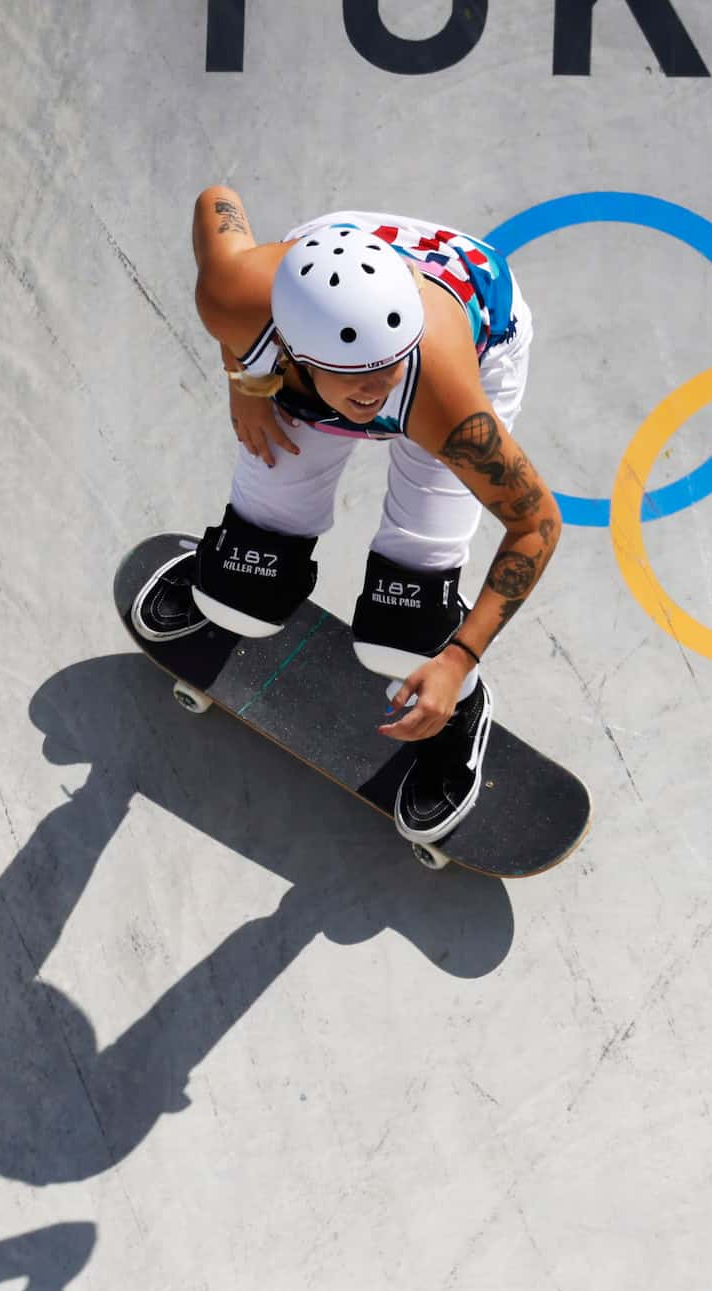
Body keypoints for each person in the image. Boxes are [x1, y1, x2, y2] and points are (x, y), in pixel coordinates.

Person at [133, 190, 561, 845]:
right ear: (294, 351)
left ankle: (464, 710)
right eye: (356, 378)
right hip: (327, 278)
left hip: (473, 328)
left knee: (407, 632)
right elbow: (216, 201)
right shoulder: (237, 296)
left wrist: (455, 661)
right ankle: (228, 569)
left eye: (387, 369)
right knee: (242, 592)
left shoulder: (438, 396)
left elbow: (536, 527)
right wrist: (245, 381)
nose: (375, 390)